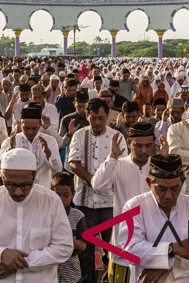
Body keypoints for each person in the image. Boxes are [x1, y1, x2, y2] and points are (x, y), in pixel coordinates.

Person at [0, 148, 73, 282]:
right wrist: (1, 254)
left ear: (34, 176)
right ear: (2, 177)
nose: (18, 192)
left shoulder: (51, 201)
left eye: (25, 185)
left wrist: (22, 262)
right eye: (11, 185)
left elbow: (64, 247)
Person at [118, 153, 189, 282]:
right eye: (161, 189)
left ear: (183, 182)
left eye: (175, 189)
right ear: (149, 182)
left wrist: (166, 264)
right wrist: (171, 249)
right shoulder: (134, 206)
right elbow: (130, 249)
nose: (168, 196)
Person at [67, 97, 127, 282]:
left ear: (107, 116)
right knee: (86, 248)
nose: (97, 122)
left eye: (101, 118)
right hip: (85, 200)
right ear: (87, 115)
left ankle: (110, 279)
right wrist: (93, 180)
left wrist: (103, 181)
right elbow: (73, 163)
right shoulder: (79, 135)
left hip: (110, 201)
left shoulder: (117, 137)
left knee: (111, 245)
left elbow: (123, 166)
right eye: (93, 118)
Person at [91, 122, 155, 283]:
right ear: (129, 143)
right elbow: (97, 185)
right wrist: (112, 157)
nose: (144, 151)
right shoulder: (118, 165)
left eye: (148, 145)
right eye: (138, 145)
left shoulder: (157, 166)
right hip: (123, 241)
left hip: (154, 241)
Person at [0, 105, 62, 187]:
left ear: (40, 124)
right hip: (18, 194)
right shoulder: (10, 141)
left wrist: (49, 154)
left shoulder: (50, 141)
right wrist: (9, 151)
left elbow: (58, 170)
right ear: (20, 124)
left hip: (43, 192)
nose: (30, 132)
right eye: (26, 128)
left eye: (34, 128)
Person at [51, 172, 86, 283]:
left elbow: (83, 245)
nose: (61, 199)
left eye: (66, 195)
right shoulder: (45, 215)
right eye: (57, 195)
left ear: (73, 195)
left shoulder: (78, 216)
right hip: (50, 268)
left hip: (71, 270)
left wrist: (64, 240)